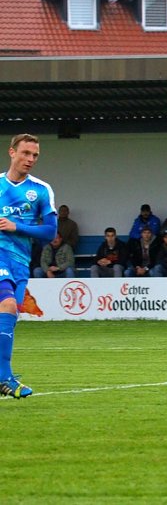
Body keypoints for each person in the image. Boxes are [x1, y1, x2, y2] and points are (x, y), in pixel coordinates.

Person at [0, 133, 58, 399]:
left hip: (21, 262)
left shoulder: (41, 190)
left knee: (10, 316)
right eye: (25, 153)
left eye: (35, 155)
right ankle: (5, 378)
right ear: (12, 152)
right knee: (7, 305)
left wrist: (17, 226)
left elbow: (49, 232)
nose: (30, 159)